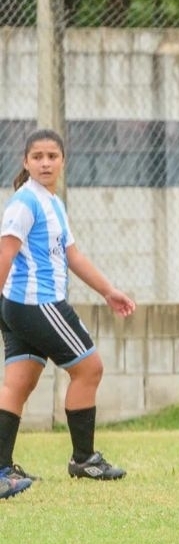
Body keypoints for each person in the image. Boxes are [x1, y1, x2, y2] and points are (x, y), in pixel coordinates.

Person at [0, 128, 135, 501]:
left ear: (62, 161)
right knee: (90, 368)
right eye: (37, 156)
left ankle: (2, 469)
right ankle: (84, 459)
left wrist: (108, 291)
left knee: (18, 383)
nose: (45, 163)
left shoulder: (52, 202)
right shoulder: (25, 203)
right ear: (25, 162)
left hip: (19, 306)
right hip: (36, 303)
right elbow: (5, 254)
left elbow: (72, 255)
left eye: (52, 156)